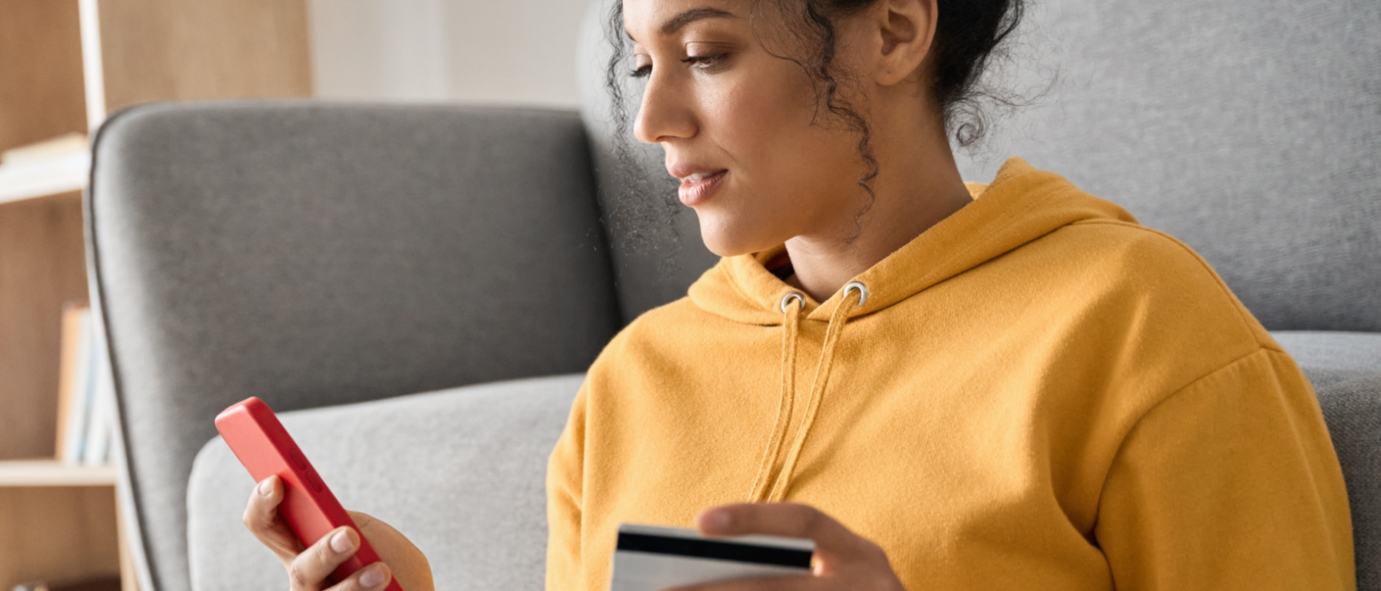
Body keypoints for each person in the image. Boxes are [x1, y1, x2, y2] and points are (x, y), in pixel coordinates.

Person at [242, 0, 1358, 588]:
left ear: (896, 28)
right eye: (641, 61)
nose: (651, 119)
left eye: (709, 52)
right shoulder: (638, 379)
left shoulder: (1142, 329)